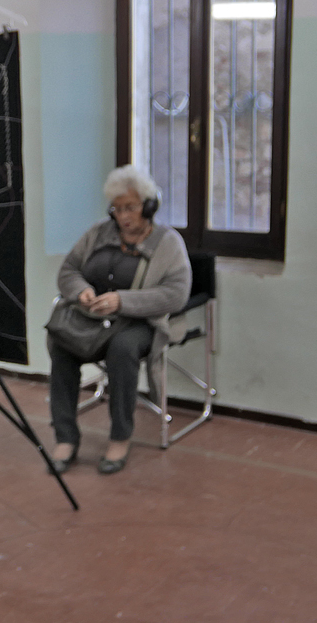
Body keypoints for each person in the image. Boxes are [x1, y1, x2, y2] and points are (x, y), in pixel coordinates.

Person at [48, 166, 190, 474]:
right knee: (61, 344)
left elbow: (176, 294)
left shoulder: (167, 242)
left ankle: (120, 437)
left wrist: (122, 301)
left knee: (123, 349)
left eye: (130, 207)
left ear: (148, 206)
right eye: (117, 208)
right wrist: (82, 291)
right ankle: (65, 437)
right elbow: (68, 271)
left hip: (140, 322)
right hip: (93, 319)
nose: (123, 216)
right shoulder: (98, 233)